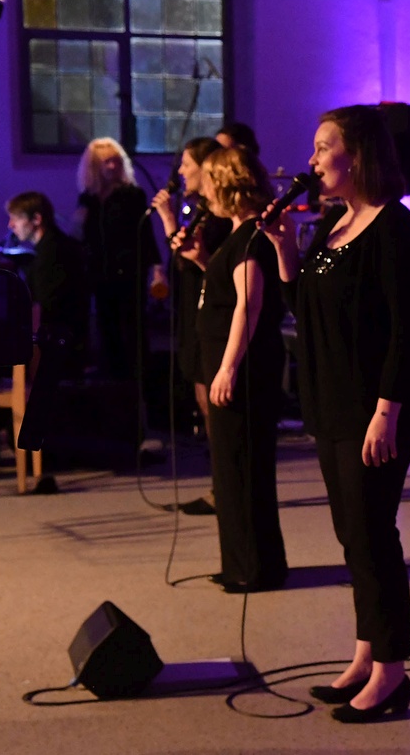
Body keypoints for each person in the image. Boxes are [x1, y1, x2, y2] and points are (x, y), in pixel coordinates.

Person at [261, 105, 410, 723]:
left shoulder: (394, 229)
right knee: (351, 534)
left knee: (372, 532)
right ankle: (366, 651)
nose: (310, 161)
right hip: (332, 403)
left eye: (322, 147)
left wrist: (387, 410)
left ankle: (392, 670)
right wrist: (284, 250)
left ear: (356, 154)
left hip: (374, 407)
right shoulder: (335, 227)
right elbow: (306, 309)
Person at [179, 146, 288, 594]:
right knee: (231, 467)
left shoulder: (250, 237)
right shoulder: (239, 235)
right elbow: (229, 292)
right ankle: (245, 562)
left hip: (241, 370)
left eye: (208, 184)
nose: (205, 193)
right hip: (232, 363)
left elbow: (251, 304)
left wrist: (226, 368)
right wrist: (200, 262)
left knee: (242, 467)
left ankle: (252, 567)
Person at [151, 136, 229, 516]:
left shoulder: (217, 216)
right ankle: (220, 483)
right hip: (193, 310)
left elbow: (192, 260)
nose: (180, 172)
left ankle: (225, 486)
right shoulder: (200, 210)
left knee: (211, 402)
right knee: (202, 399)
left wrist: (167, 221)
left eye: (186, 164)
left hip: (211, 312)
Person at [75, 137, 160, 379]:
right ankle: (111, 377)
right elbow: (83, 236)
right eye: (105, 163)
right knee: (105, 325)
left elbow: (145, 233)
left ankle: (137, 378)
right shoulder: (88, 198)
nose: (112, 167)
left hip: (129, 270)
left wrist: (156, 267)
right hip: (100, 272)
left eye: (115, 161)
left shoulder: (132, 195)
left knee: (133, 327)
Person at [6, 191, 90, 379]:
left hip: (61, 351)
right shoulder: (54, 246)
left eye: (16, 219)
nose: (10, 225)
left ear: (36, 219)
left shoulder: (52, 253)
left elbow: (43, 307)